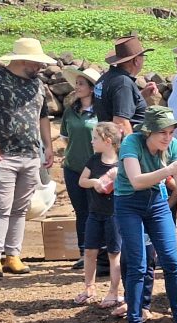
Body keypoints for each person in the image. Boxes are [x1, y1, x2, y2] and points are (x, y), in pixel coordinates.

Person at [112, 105, 177, 323]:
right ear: (148, 131)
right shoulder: (131, 142)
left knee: (172, 261)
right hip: (128, 203)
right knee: (138, 264)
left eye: (171, 132)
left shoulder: (172, 146)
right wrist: (170, 171)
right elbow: (136, 180)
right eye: (162, 132)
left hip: (157, 204)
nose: (168, 137)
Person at [0, 38, 55, 279]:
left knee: (21, 208)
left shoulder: (37, 84)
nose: (40, 68)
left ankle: (13, 254)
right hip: (2, 154)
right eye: (36, 63)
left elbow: (43, 115)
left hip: (30, 154)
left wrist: (48, 145)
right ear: (23, 60)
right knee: (1, 206)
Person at [75, 122, 122, 309]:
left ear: (108, 141)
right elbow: (82, 181)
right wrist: (95, 182)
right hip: (95, 213)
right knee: (89, 251)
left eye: (95, 138)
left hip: (114, 215)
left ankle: (114, 291)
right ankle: (89, 287)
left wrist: (113, 180)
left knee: (114, 253)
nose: (92, 141)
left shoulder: (121, 163)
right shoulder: (94, 160)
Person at [60, 65, 101, 268]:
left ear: (92, 88)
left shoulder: (101, 112)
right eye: (76, 83)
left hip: (96, 169)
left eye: (81, 83)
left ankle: (99, 252)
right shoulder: (70, 111)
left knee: (97, 210)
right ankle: (84, 252)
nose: (77, 87)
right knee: (80, 210)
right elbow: (66, 138)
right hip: (73, 167)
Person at [94, 36, 154, 136]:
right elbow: (120, 123)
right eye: (143, 56)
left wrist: (140, 96)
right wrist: (130, 149)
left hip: (107, 142)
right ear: (136, 60)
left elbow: (114, 105)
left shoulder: (106, 78)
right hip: (122, 146)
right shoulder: (123, 84)